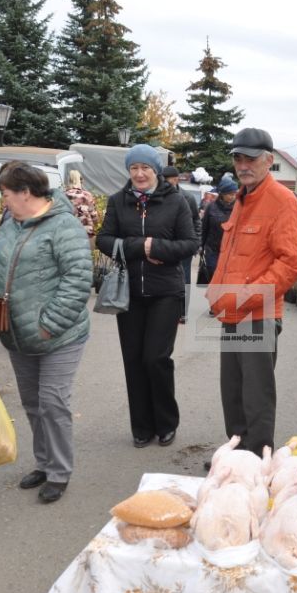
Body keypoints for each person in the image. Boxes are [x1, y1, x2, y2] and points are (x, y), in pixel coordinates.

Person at [0, 162, 92, 504]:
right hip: (17, 333)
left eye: (5, 194)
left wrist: (50, 323)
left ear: (25, 193)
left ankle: (60, 472)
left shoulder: (64, 226)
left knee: (52, 401)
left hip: (59, 334)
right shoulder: (9, 223)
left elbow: (78, 279)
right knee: (32, 403)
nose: (2, 200)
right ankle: (44, 463)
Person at [205, 128, 297, 457]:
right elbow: (231, 253)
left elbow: (290, 263)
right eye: (238, 158)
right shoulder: (243, 198)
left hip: (257, 313)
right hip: (233, 309)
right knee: (232, 390)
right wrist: (216, 294)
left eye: (251, 158)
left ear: (269, 161)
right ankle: (237, 456)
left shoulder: (281, 201)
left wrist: (243, 297)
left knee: (255, 395)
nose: (243, 164)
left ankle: (258, 463)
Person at [96, 145, 197, 448]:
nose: (139, 174)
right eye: (133, 168)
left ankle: (166, 422)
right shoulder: (118, 201)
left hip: (166, 290)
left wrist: (159, 249)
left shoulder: (177, 202)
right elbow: (103, 239)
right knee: (134, 360)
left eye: (145, 168)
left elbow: (190, 243)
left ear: (155, 170)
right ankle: (141, 427)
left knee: (155, 358)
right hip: (129, 292)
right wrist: (141, 246)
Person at [162, 165, 201, 323]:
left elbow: (196, 221)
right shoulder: (158, 196)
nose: (164, 182)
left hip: (184, 245)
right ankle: (165, 310)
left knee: (184, 278)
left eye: (167, 180)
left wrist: (196, 242)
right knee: (165, 277)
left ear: (176, 179)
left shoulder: (187, 198)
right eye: (162, 179)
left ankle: (183, 312)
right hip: (164, 245)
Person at [197, 176, 239, 285]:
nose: (232, 197)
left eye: (234, 194)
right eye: (229, 194)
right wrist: (201, 245)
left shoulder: (239, 208)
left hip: (231, 251)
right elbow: (204, 228)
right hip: (212, 250)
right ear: (222, 194)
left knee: (227, 279)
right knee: (213, 275)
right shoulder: (211, 207)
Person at [65, 169, 99, 244]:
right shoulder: (87, 195)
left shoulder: (63, 195)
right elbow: (94, 216)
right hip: (86, 233)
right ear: (80, 180)